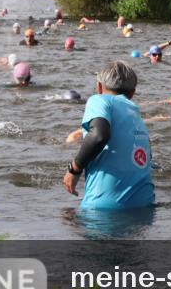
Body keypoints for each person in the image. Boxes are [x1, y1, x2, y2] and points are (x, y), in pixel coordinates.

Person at [63, 61, 154, 210]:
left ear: (99, 87)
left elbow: (99, 135)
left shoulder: (99, 100)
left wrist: (74, 169)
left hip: (104, 210)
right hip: (145, 206)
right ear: (132, 93)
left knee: (66, 218)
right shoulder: (136, 113)